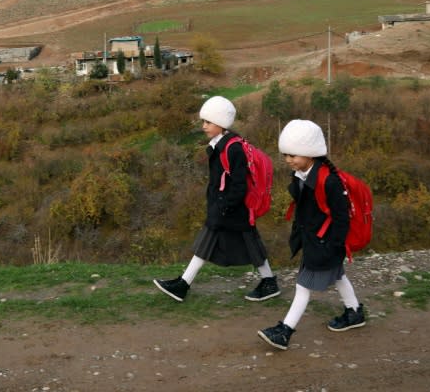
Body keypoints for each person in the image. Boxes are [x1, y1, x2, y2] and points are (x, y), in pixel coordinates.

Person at [153, 95, 280, 302]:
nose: (203, 126)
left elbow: (239, 185)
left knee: (249, 243)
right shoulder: (221, 144)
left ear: (220, 124)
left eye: (208, 122)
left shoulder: (233, 149)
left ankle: (269, 282)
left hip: (233, 208)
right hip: (226, 207)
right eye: (204, 121)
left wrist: (223, 206)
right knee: (215, 241)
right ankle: (183, 284)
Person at [258, 119, 365, 351]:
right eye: (286, 155)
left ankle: (285, 331)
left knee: (303, 286)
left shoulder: (329, 181)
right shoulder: (303, 174)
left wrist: (333, 247)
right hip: (315, 240)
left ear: (311, 153)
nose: (288, 160)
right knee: (338, 276)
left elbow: (341, 218)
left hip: (324, 244)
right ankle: (354, 312)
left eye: (293, 155)